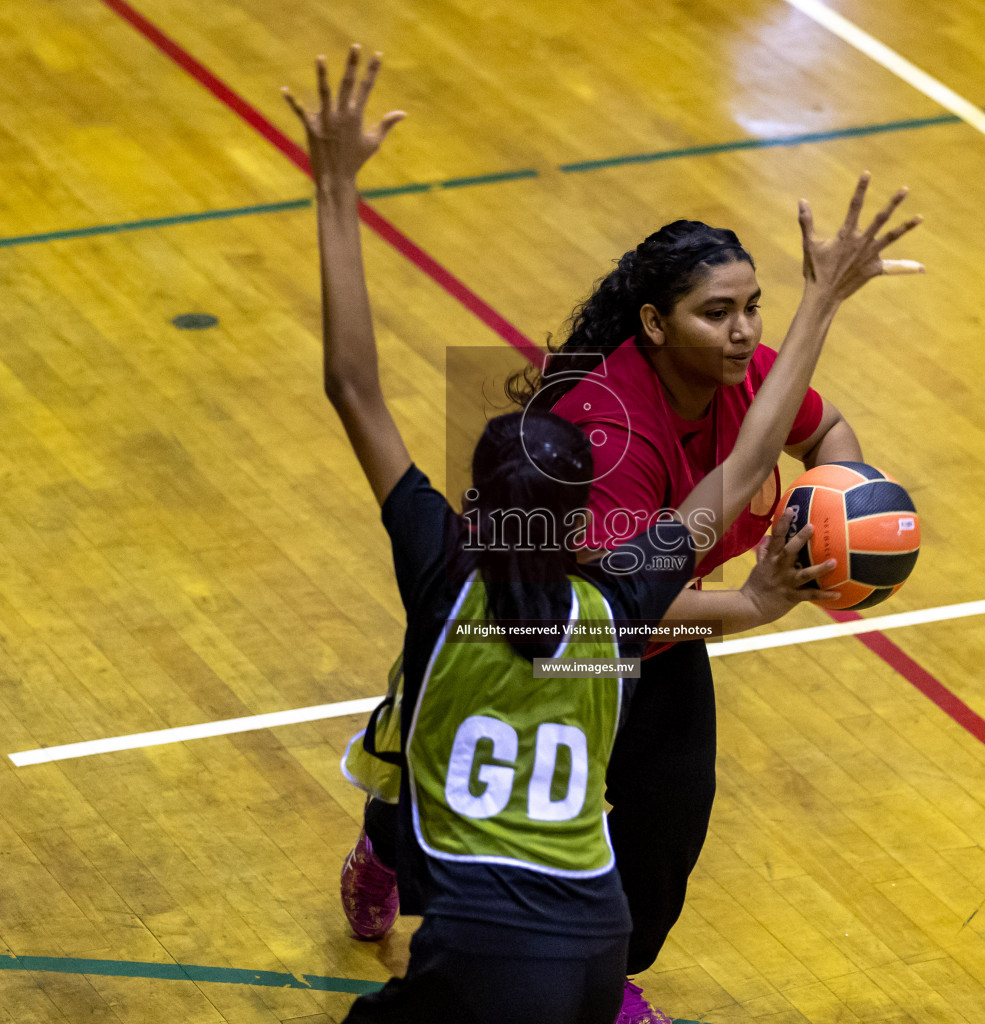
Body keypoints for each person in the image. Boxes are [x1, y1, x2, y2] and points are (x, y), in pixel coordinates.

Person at [290, 43, 920, 1024]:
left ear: (479, 516)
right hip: (579, 949)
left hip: (481, 957)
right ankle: (401, 850)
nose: (743, 327)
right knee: (440, 778)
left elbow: (352, 385)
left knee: (650, 807)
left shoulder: (441, 571)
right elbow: (747, 469)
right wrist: (824, 300)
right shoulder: (616, 595)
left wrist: (333, 190)